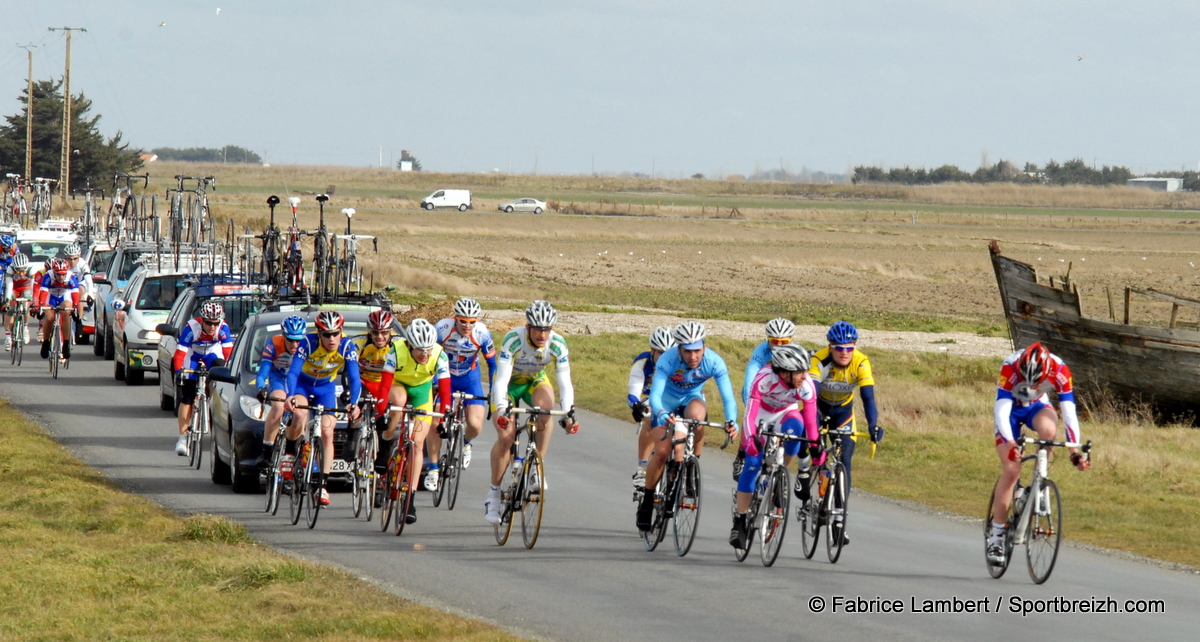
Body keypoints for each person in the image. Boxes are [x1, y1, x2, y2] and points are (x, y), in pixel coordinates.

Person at [987, 342, 1089, 566]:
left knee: (1049, 430)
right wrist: (1012, 443)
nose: (1031, 383)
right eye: (1026, 379)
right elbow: (1001, 411)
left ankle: (1038, 482)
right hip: (1011, 411)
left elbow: (1069, 412)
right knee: (1012, 470)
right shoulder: (1010, 366)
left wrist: (1074, 450)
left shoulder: (1060, 369)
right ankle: (996, 534)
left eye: (1037, 380)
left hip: (1036, 406)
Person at [636, 320, 739, 532]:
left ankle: (691, 465)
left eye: (697, 351)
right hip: (665, 402)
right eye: (687, 351)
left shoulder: (714, 362)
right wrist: (662, 413)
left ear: (705, 347)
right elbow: (655, 395)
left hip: (691, 399)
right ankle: (647, 500)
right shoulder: (667, 359)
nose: (693, 357)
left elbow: (728, 398)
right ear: (679, 349)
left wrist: (731, 421)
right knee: (663, 452)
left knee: (697, 416)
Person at [484, 300, 580, 525]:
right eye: (538, 328)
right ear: (528, 327)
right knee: (506, 437)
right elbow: (501, 380)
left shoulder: (557, 344)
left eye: (547, 329)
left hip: (534, 380)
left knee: (547, 409)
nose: (543, 334)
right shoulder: (513, 339)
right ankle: (493, 494)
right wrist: (501, 409)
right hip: (509, 385)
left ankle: (536, 465)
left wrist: (569, 414)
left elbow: (565, 383)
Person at [730, 344, 818, 548]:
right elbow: (750, 415)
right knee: (752, 463)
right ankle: (740, 521)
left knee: (797, 427)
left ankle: (781, 474)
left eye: (806, 370)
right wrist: (751, 440)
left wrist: (814, 447)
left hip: (785, 413)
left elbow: (811, 421)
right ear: (785, 373)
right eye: (800, 372)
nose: (805, 376)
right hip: (761, 413)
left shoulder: (806, 385)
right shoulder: (764, 378)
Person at [807, 321, 882, 545]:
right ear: (830, 347)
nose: (844, 352)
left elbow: (868, 397)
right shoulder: (819, 360)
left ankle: (839, 521)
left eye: (849, 347)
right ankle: (815, 471)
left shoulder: (861, 362)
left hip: (844, 414)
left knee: (845, 461)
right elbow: (810, 399)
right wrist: (814, 431)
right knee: (814, 444)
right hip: (819, 409)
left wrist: (873, 425)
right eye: (839, 348)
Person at [284, 310, 362, 507]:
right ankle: (290, 451)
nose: (332, 338)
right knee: (300, 414)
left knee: (327, 432)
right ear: (319, 333)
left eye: (336, 333)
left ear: (341, 332)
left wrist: (354, 402)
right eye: (326, 334)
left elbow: (354, 378)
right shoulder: (308, 343)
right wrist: (290, 396)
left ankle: (322, 485)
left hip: (325, 388)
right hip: (303, 384)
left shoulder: (347, 346)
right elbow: (293, 372)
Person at [380, 318, 450, 524]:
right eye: (419, 349)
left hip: (422, 391)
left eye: (428, 349)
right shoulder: (395, 350)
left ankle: (410, 498)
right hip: (398, 385)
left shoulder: (439, 355)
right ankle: (385, 443)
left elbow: (445, 391)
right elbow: (384, 387)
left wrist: (444, 416)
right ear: (409, 345)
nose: (424, 354)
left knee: (418, 444)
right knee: (399, 401)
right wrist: (381, 410)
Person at [434, 297, 497, 471]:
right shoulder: (442, 328)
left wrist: (493, 391)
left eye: (472, 322)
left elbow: (492, 364)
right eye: (463, 321)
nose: (467, 326)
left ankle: (466, 444)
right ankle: (432, 462)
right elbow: (429, 356)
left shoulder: (482, 333)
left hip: (470, 379)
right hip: (446, 378)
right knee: (437, 420)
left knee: (475, 424)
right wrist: (434, 383)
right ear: (455, 318)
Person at [735, 317, 795, 479]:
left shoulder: (796, 353)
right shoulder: (761, 352)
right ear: (768, 340)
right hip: (761, 391)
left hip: (782, 398)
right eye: (775, 341)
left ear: (792, 340)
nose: (779, 346)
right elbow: (749, 383)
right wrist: (751, 408)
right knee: (750, 412)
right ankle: (742, 452)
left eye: (784, 342)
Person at [172, 301, 234, 456]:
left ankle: (212, 401)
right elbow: (179, 355)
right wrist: (179, 372)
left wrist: (230, 374)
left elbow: (228, 355)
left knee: (220, 371)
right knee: (187, 395)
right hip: (193, 355)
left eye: (215, 323)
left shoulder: (223, 328)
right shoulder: (191, 328)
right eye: (208, 323)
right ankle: (183, 437)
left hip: (212, 354)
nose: (212, 327)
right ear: (202, 320)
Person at [254, 315, 307, 470]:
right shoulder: (274, 344)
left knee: (299, 412)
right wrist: (261, 388)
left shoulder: (307, 346)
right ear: (283, 336)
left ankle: (294, 449)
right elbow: (263, 372)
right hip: (278, 378)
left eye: (298, 340)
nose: (294, 344)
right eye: (290, 339)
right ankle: (267, 451)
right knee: (278, 405)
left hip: (298, 382)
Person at [350, 310, 400, 467]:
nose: (380, 337)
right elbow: (348, 368)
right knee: (355, 407)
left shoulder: (399, 344)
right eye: (375, 332)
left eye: (384, 332)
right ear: (369, 331)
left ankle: (384, 448)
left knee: (385, 419)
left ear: (391, 331)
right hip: (364, 381)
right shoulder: (359, 342)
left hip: (386, 384)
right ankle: (351, 438)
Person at [627, 326, 675, 491]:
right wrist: (636, 405)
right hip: (649, 400)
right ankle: (642, 469)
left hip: (672, 400)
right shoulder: (642, 364)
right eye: (661, 353)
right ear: (652, 350)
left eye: (668, 353)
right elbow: (633, 393)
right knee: (649, 417)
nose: (665, 358)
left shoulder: (680, 364)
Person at [35, 258, 80, 361]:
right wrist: (41, 307)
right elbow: (43, 293)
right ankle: (46, 342)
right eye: (59, 274)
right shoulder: (48, 275)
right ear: (54, 272)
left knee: (65, 312)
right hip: (51, 297)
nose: (61, 277)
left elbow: (75, 294)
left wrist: (76, 308)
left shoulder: (71, 276)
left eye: (63, 274)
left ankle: (66, 343)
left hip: (65, 296)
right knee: (50, 317)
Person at [3, 253, 34, 349]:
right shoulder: (10, 269)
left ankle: (25, 328)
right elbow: (9, 285)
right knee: (11, 308)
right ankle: (8, 338)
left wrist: (32, 301)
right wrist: (8, 300)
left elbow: (33, 287)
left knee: (25, 306)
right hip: (14, 288)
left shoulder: (31, 269)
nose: (21, 273)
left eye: (23, 270)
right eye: (18, 270)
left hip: (26, 287)